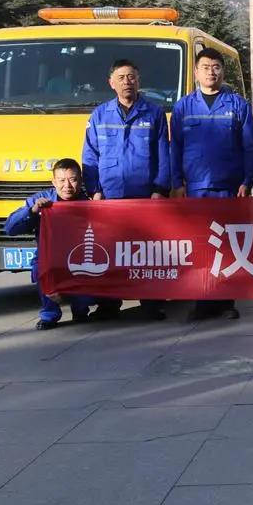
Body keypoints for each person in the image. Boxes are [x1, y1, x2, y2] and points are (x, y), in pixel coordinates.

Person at [170, 47, 253, 320]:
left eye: (216, 67)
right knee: (199, 244)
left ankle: (226, 301)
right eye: (205, 67)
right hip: (195, 188)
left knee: (226, 244)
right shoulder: (183, 107)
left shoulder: (237, 105)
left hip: (228, 187)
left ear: (223, 71)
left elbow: (248, 146)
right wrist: (177, 182)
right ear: (196, 72)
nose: (211, 72)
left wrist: (247, 180)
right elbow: (175, 148)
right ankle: (202, 300)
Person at [82, 58, 170, 322]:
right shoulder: (100, 115)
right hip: (110, 197)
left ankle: (151, 304)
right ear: (111, 83)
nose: (127, 82)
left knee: (146, 251)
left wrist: (160, 188)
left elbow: (163, 154)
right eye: (121, 77)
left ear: (138, 81)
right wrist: (94, 190)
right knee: (109, 250)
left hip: (145, 196)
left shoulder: (154, 113)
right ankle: (109, 303)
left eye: (131, 77)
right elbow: (90, 156)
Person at [4, 159, 96, 330]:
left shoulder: (90, 202)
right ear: (53, 182)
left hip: (79, 257)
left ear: (81, 181)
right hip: (49, 258)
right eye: (62, 180)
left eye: (73, 180)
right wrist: (32, 211)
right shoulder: (41, 200)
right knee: (41, 268)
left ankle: (81, 309)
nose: (67, 186)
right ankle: (49, 314)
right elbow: (10, 228)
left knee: (87, 290)